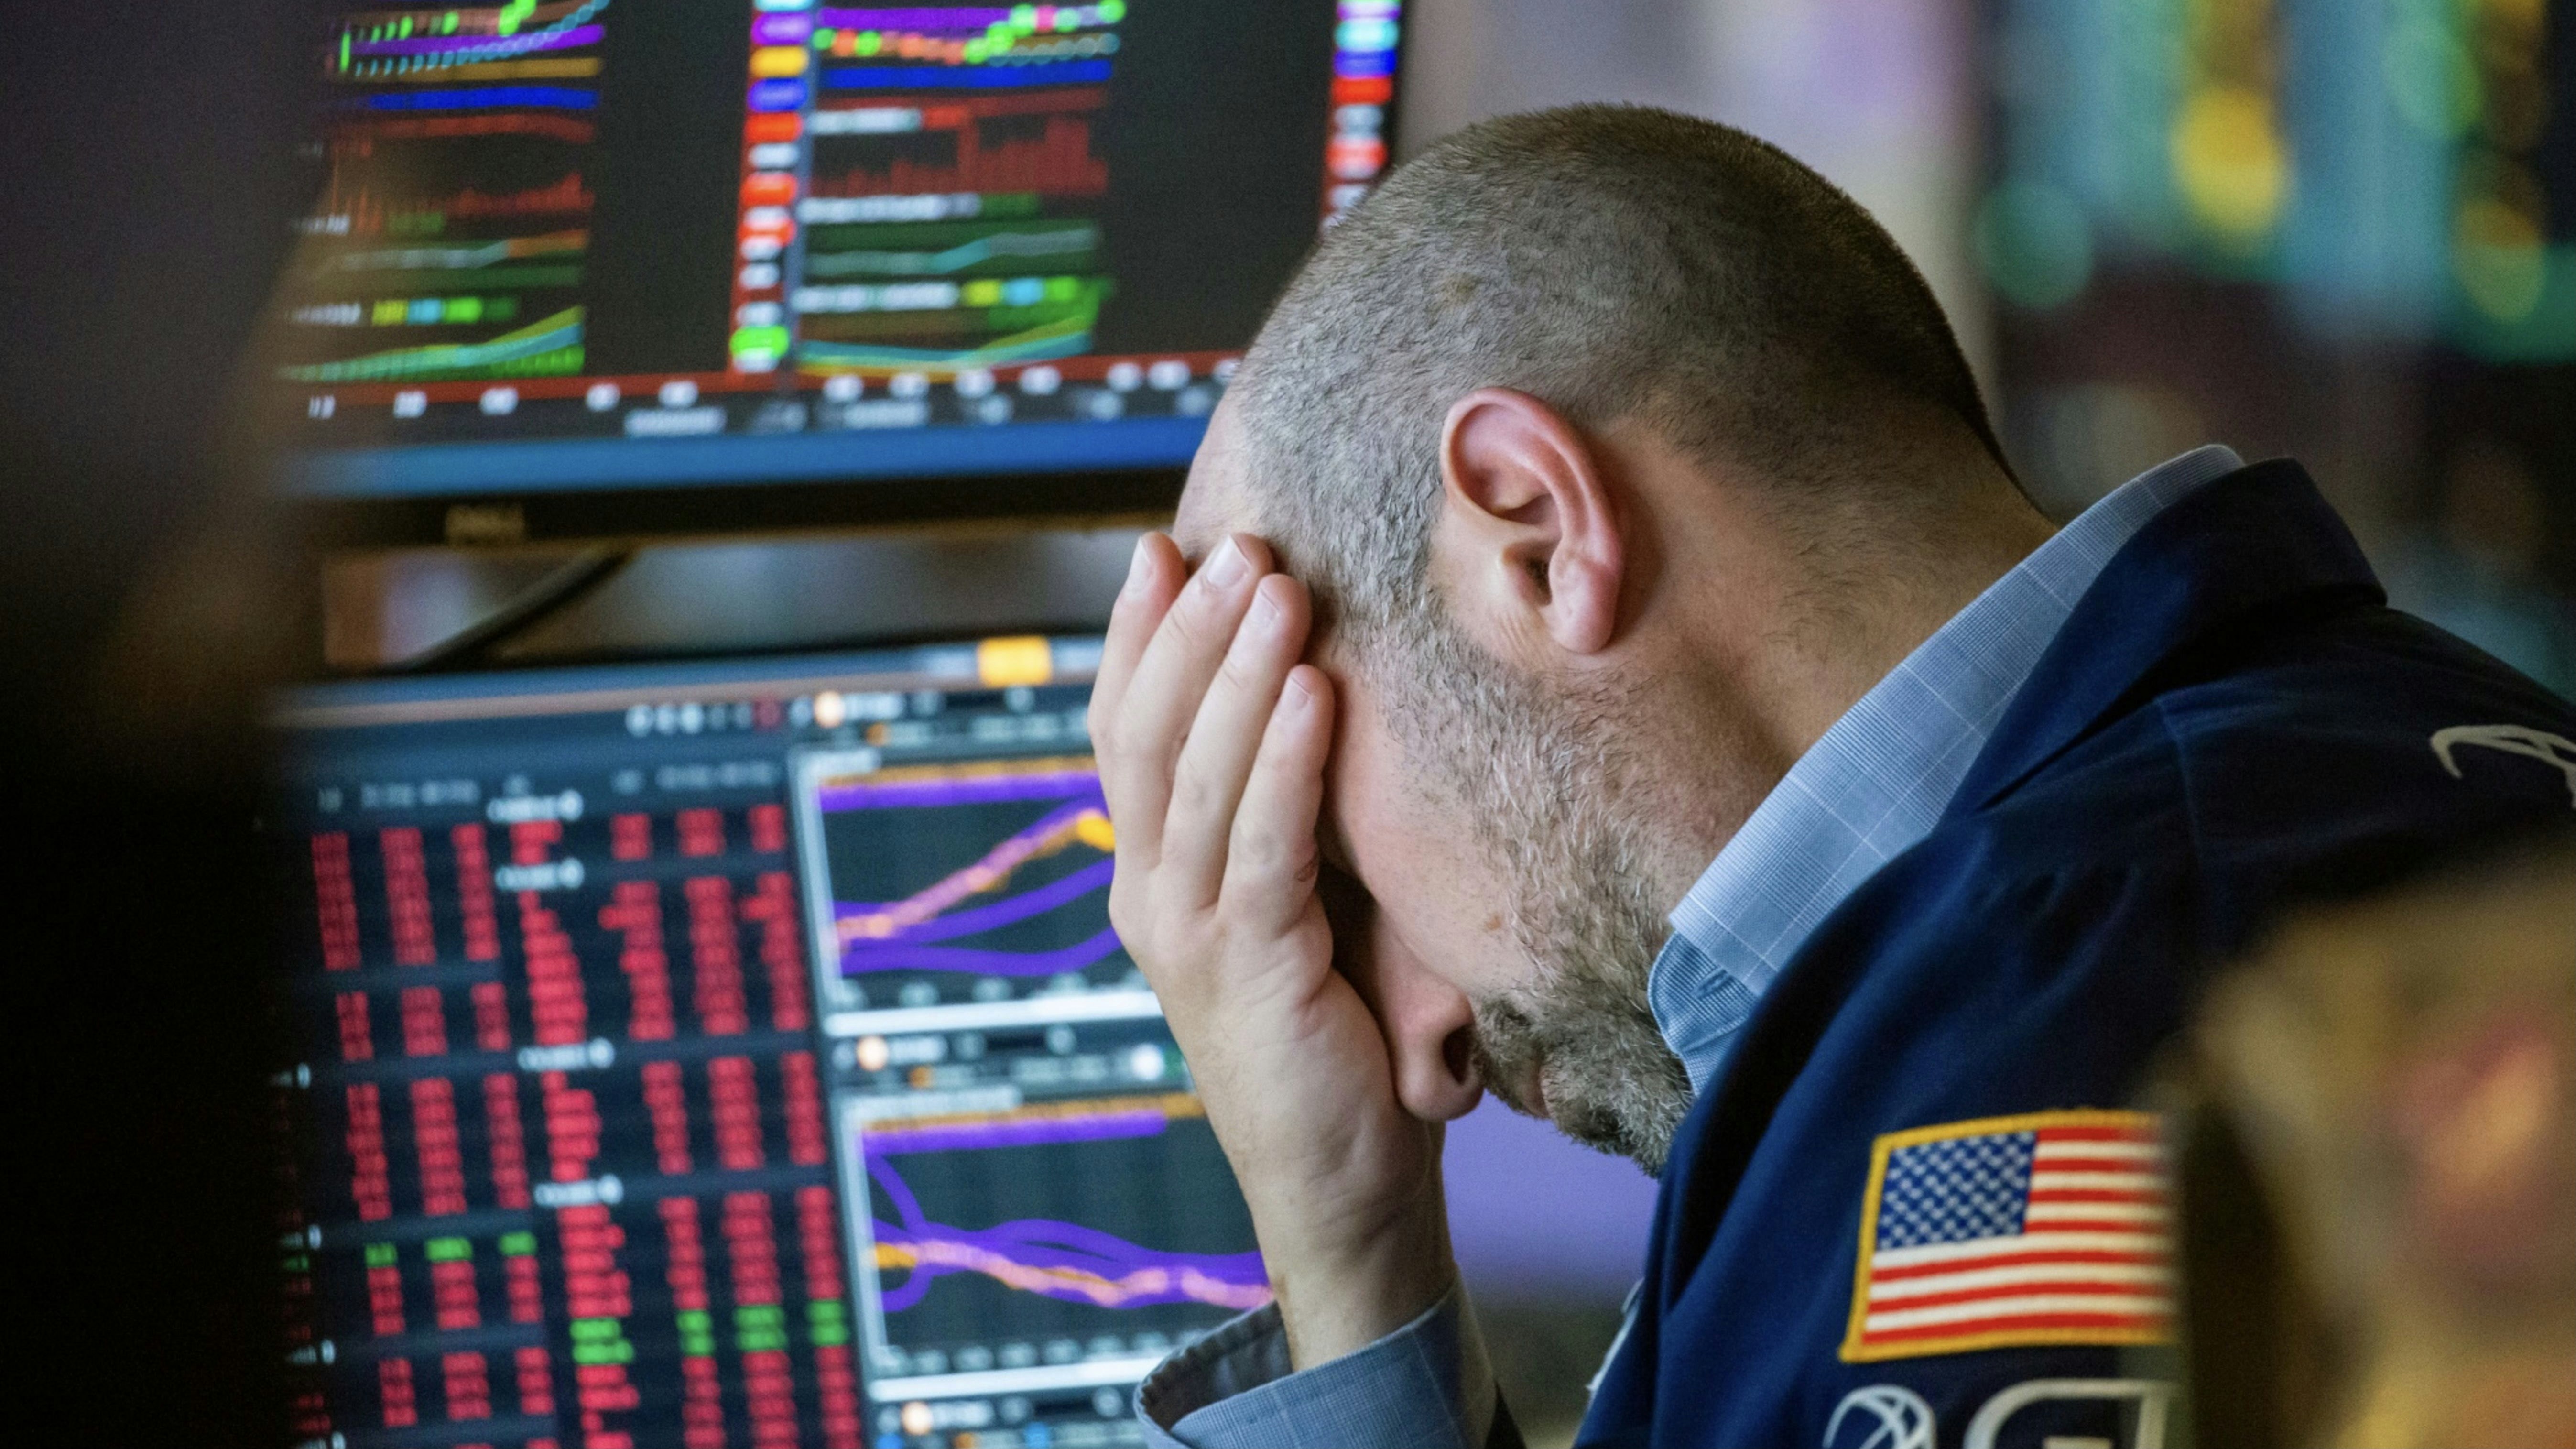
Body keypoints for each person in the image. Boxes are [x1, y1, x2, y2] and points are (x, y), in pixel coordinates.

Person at [1086, 106, 2576, 1449]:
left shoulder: (2012, 1072)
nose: (1410, 1059)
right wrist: (1352, 1243)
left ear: (1537, 537)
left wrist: (1339, 1269)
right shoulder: (2396, 728)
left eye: (1329, 861)